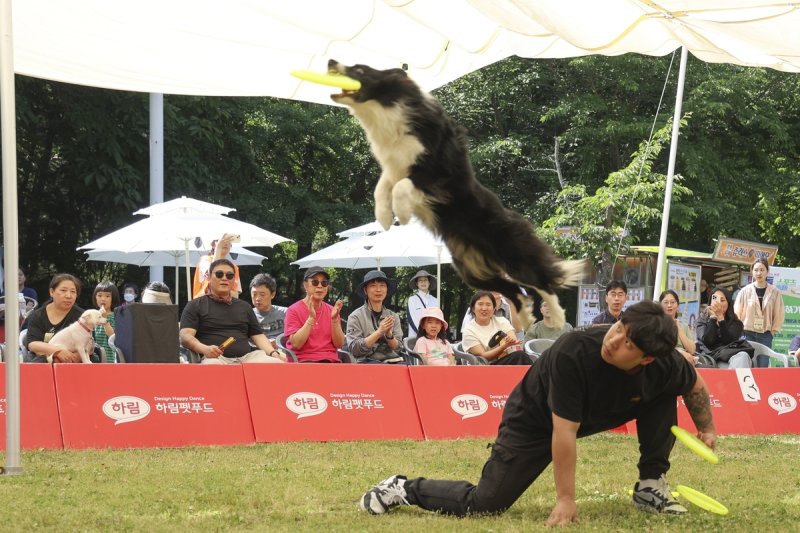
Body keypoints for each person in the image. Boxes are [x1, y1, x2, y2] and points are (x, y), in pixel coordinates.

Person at [358, 301, 716, 524]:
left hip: (595, 412)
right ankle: (402, 489)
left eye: (628, 344)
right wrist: (565, 500)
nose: (614, 340)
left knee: (663, 394)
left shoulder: (665, 364)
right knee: (486, 504)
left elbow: (696, 388)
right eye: (619, 328)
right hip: (534, 420)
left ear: (648, 357)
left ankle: (650, 484)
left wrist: (707, 430)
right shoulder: (573, 352)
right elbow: (563, 432)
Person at [179, 259, 285, 364]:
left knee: (276, 364)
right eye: (219, 274)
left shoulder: (244, 306)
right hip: (214, 358)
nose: (224, 278)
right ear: (209, 277)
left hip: (248, 357)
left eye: (229, 275)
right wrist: (204, 349)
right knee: (212, 366)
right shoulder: (195, 305)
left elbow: (258, 336)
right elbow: (185, 336)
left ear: (233, 280)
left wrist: (273, 353)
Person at [285, 266, 345, 363]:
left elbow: (339, 344)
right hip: (303, 362)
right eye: (315, 282)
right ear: (305, 285)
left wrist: (334, 320)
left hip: (330, 362)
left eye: (324, 283)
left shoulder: (332, 310)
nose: (320, 286)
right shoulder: (293, 310)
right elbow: (296, 344)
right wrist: (311, 319)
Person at [346, 270, 405, 363]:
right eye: (373, 286)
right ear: (365, 290)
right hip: (366, 364)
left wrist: (389, 335)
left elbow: (399, 348)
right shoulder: (355, 317)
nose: (378, 290)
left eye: (382, 285)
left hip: (393, 362)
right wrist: (379, 332)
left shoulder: (393, 316)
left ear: (386, 289)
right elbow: (355, 349)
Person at [25, 273, 85, 363]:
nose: (68, 296)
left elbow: (89, 344)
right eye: (63, 290)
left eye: (73, 291)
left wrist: (76, 356)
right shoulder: (37, 316)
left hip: (75, 360)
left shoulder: (83, 316)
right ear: (52, 292)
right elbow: (33, 344)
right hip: (46, 358)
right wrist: (57, 351)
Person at [461, 291, 530, 365]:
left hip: (504, 362)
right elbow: (483, 356)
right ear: (473, 308)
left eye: (488, 305)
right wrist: (503, 347)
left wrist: (511, 343)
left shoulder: (502, 321)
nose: (484, 308)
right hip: (482, 367)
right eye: (480, 304)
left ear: (494, 309)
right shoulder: (468, 330)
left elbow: (513, 345)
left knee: (520, 355)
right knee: (520, 356)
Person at [734, 259, 785, 348]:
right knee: (746, 360)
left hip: (765, 335)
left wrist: (772, 332)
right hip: (747, 333)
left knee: (763, 361)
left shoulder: (775, 292)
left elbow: (779, 313)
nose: (759, 273)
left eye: (762, 270)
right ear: (752, 272)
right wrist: (739, 330)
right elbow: (737, 313)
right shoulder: (744, 291)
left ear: (767, 271)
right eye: (756, 270)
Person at [696, 287, 750, 368]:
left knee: (743, 356)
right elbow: (708, 341)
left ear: (728, 303)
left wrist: (721, 319)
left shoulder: (735, 322)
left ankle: (736, 380)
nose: (719, 303)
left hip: (730, 355)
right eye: (715, 299)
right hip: (710, 358)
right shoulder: (702, 321)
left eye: (722, 300)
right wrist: (713, 318)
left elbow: (728, 341)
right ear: (710, 302)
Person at [192, 233, 243, 299]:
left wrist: (221, 292)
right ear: (212, 244)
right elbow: (212, 275)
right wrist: (219, 247)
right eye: (220, 240)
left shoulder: (234, 267)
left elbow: (236, 295)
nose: (225, 243)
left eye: (228, 241)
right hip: (203, 304)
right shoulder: (205, 260)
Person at [659, 289, 696, 363]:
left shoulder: (684, 326)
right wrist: (679, 353)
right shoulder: (656, 324)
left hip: (686, 360)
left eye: (672, 302)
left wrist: (678, 328)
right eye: (666, 302)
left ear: (677, 306)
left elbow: (692, 350)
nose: (669, 305)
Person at [250, 274, 287, 340]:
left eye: (262, 295)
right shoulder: (247, 315)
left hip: (280, 348)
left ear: (272, 294)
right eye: (254, 294)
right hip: (256, 349)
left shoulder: (285, 312)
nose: (257, 298)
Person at [92, 281, 120, 363]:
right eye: (99, 295)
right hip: (93, 358)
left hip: (109, 358)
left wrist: (104, 319)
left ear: (113, 298)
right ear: (95, 297)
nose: (103, 299)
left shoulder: (115, 316)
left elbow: (113, 336)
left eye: (107, 296)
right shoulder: (92, 315)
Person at [405, 270, 439, 336]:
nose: (423, 282)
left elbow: (437, 319)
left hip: (432, 336)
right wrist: (423, 334)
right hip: (416, 336)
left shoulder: (435, 300)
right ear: (417, 284)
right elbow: (412, 320)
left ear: (429, 283)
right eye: (420, 280)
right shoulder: (412, 300)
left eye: (425, 280)